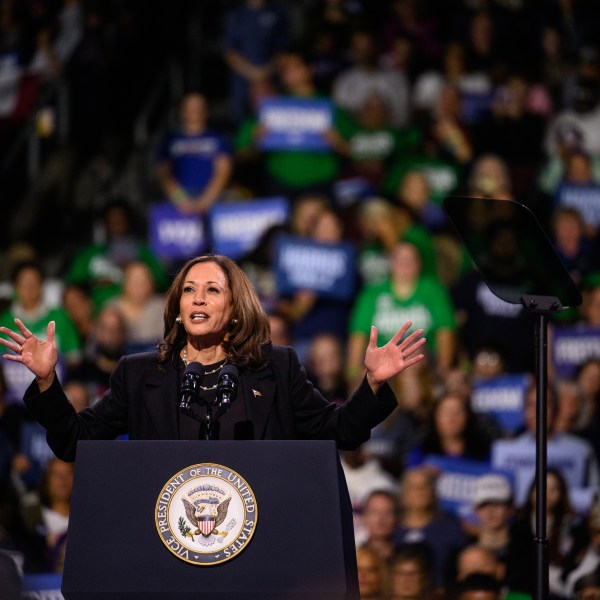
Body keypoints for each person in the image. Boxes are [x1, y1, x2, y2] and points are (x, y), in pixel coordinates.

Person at [0, 254, 427, 461]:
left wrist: (372, 385)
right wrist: (45, 382)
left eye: (211, 290)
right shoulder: (139, 373)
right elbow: (76, 442)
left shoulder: (276, 368)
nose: (197, 298)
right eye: (188, 289)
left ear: (235, 308)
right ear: (177, 306)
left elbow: (341, 431)